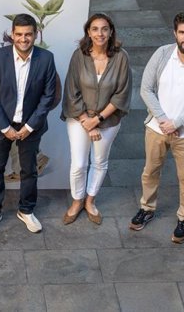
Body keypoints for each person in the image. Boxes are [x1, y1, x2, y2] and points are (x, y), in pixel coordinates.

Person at [129, 11, 184, 244]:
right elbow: (145, 89)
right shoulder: (162, 54)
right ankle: (147, 208)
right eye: (182, 32)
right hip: (156, 130)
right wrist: (162, 120)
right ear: (175, 33)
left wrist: (176, 123)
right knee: (150, 172)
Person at [0, 14, 57, 236]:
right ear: (12, 35)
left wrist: (30, 126)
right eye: (19, 34)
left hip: (30, 128)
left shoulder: (46, 59)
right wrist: (5, 127)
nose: (24, 39)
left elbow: (48, 96)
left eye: (28, 34)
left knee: (29, 170)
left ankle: (26, 210)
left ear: (35, 35)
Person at [61, 13, 132, 225]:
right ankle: (77, 201)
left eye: (104, 29)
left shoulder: (121, 57)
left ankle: (90, 201)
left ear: (111, 32)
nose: (99, 33)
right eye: (95, 29)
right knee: (78, 165)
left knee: (100, 162)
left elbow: (121, 93)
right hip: (79, 118)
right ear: (88, 32)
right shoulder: (79, 56)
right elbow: (71, 90)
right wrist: (87, 121)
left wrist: (98, 119)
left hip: (108, 121)